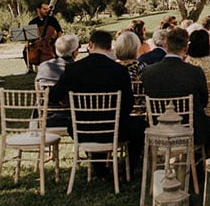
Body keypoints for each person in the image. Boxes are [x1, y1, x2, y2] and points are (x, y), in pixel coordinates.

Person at [48, 30, 145, 172]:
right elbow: (128, 104)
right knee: (140, 126)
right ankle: (127, 168)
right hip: (114, 130)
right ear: (109, 48)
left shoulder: (72, 69)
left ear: (90, 44)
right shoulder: (119, 70)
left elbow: (53, 97)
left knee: (72, 124)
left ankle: (98, 165)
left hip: (81, 129)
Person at [141, 28, 210, 147]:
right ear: (186, 48)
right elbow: (203, 101)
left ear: (165, 46)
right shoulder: (194, 72)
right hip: (190, 129)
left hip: (159, 128)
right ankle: (198, 161)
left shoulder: (148, 72)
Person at [36, 34, 79, 129]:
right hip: (72, 118)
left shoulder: (43, 67)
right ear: (75, 52)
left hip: (46, 116)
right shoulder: (77, 70)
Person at [26, 3, 62, 73]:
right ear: (38, 10)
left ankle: (57, 66)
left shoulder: (52, 20)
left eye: (47, 9)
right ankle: (30, 68)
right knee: (25, 50)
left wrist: (57, 41)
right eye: (44, 9)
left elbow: (59, 32)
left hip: (51, 43)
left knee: (57, 49)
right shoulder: (33, 22)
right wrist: (27, 42)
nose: (46, 11)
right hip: (37, 43)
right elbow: (29, 36)